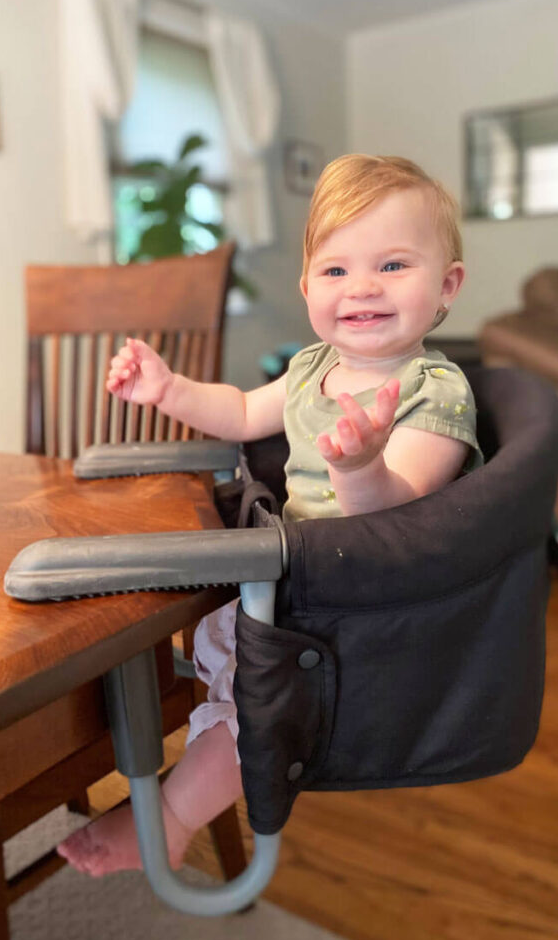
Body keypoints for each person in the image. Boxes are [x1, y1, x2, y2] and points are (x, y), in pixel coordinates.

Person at [58, 154, 483, 876]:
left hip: (363, 605)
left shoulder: (435, 390)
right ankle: (142, 756)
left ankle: (171, 817)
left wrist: (360, 468)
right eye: (337, 271)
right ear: (308, 286)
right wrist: (170, 389)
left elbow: (395, 514)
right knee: (151, 635)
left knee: (254, 707)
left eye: (392, 265)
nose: (363, 289)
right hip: (294, 580)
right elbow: (242, 413)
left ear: (445, 287)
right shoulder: (313, 365)